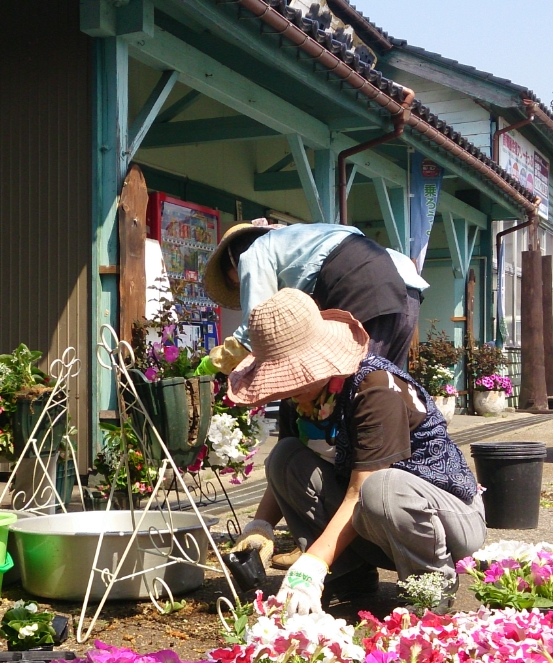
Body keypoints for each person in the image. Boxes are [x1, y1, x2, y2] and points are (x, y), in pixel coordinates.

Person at [228, 288, 485, 616]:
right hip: (379, 519)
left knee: (382, 488)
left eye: (291, 377)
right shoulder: (303, 395)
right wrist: (259, 528)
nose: (286, 390)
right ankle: (349, 573)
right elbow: (287, 476)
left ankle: (430, 585)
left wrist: (314, 561)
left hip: (449, 518)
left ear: (319, 362)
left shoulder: (375, 387)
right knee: (285, 459)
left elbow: (361, 489)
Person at [202, 220, 427, 372]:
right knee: (390, 388)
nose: (243, 286)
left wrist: (214, 364)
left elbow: (256, 330)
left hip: (364, 290)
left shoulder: (254, 252)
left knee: (360, 392)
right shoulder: (299, 240)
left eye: (237, 281)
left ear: (235, 261)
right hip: (406, 289)